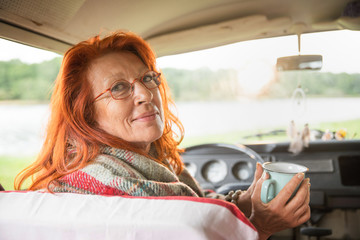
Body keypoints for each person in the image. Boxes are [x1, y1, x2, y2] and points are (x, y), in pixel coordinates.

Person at [15, 31, 310, 239]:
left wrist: (245, 203)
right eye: (118, 88)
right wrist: (261, 226)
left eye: (147, 78)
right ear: (86, 114)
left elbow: (198, 212)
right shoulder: (121, 191)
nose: (146, 93)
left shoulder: (154, 167)